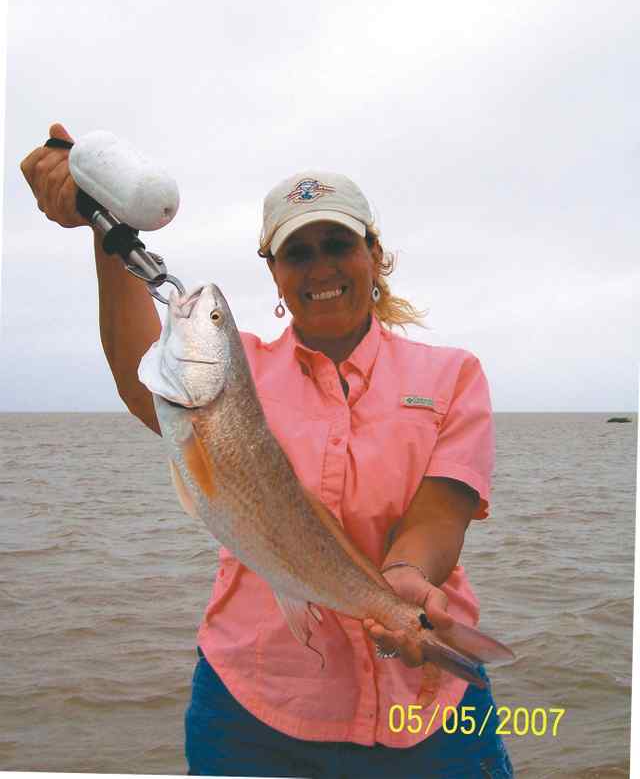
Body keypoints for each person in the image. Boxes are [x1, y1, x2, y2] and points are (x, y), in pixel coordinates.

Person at [21, 124, 514, 779]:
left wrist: (402, 585)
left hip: (427, 702)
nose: (321, 266)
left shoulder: (452, 374)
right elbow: (141, 378)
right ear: (274, 273)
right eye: (297, 252)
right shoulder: (238, 371)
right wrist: (101, 224)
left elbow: (438, 515)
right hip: (251, 707)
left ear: (374, 253)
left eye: (338, 243)